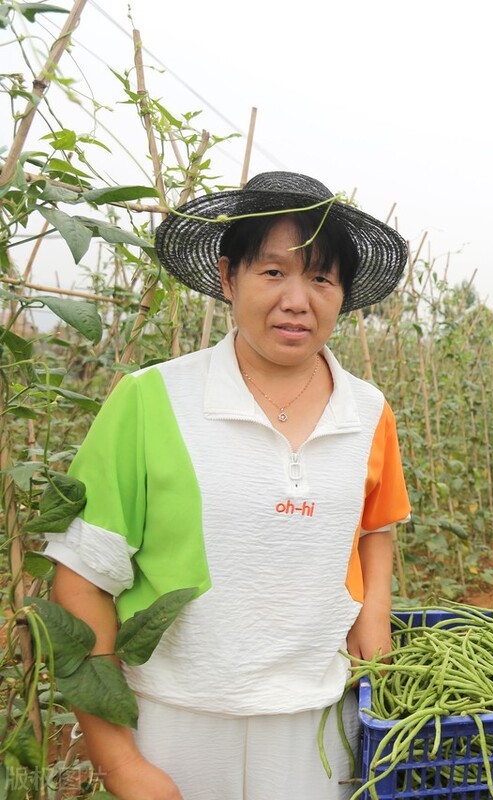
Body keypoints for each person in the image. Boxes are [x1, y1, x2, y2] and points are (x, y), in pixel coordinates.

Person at [43, 171, 411, 800]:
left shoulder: (369, 411)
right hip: (174, 721)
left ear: (342, 294)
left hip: (322, 721)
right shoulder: (151, 400)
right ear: (227, 277)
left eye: (321, 279)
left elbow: (376, 526)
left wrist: (374, 613)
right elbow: (81, 580)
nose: (297, 300)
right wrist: (121, 764)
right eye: (272, 272)